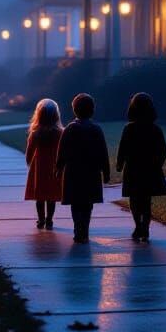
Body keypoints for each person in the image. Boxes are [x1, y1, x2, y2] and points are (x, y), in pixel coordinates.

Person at [55, 93, 110, 243]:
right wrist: (106, 171)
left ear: (74, 110)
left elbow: (62, 151)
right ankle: (84, 229)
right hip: (91, 172)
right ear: (92, 110)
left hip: (73, 172)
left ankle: (78, 228)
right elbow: (103, 152)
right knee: (87, 203)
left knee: (75, 202)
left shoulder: (70, 129)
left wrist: (58, 167)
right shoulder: (96, 129)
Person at [116, 92, 166, 242]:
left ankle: (138, 226)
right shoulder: (155, 129)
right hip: (150, 170)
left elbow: (123, 148)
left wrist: (120, 164)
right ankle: (144, 228)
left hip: (133, 170)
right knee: (146, 201)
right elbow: (163, 150)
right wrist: (158, 164)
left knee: (134, 200)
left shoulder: (129, 129)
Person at [24, 99, 64, 229]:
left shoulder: (35, 133)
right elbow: (63, 150)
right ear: (56, 115)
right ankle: (49, 219)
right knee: (51, 196)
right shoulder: (60, 133)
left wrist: (29, 162)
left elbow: (29, 152)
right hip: (54, 166)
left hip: (39, 167)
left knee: (39, 196)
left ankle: (41, 219)